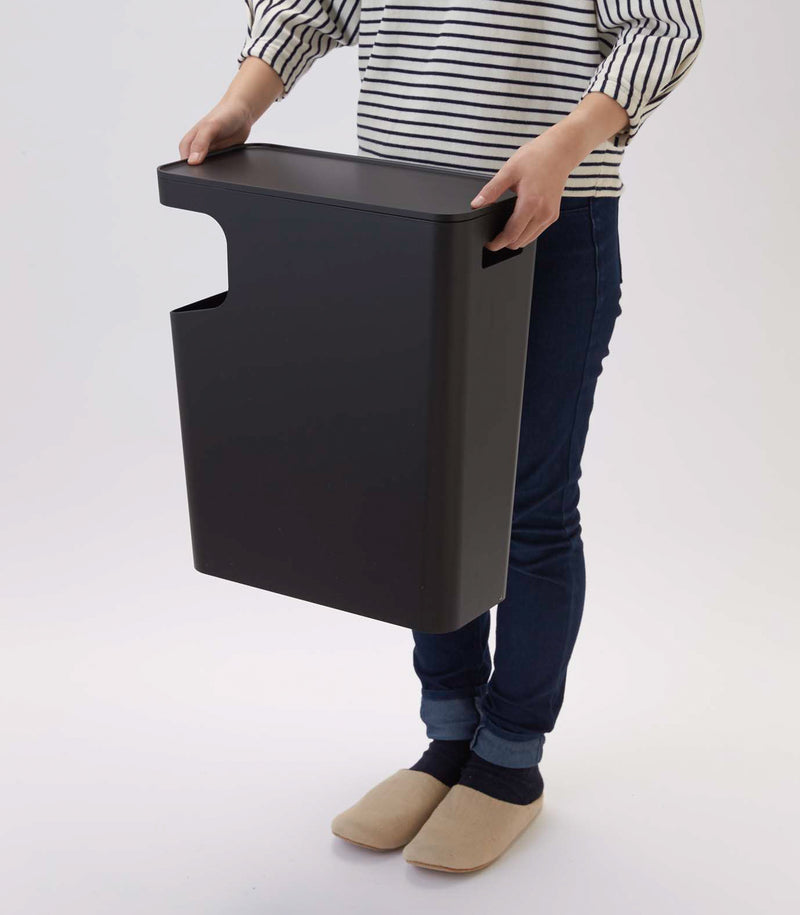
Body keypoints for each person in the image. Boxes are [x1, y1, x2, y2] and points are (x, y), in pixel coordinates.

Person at [179, 0, 704, 873]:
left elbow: (666, 27)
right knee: (426, 489)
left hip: (552, 221)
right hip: (401, 216)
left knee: (528, 504)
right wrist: (242, 103)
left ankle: (509, 761)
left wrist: (564, 144)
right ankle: (449, 738)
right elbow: (311, 8)